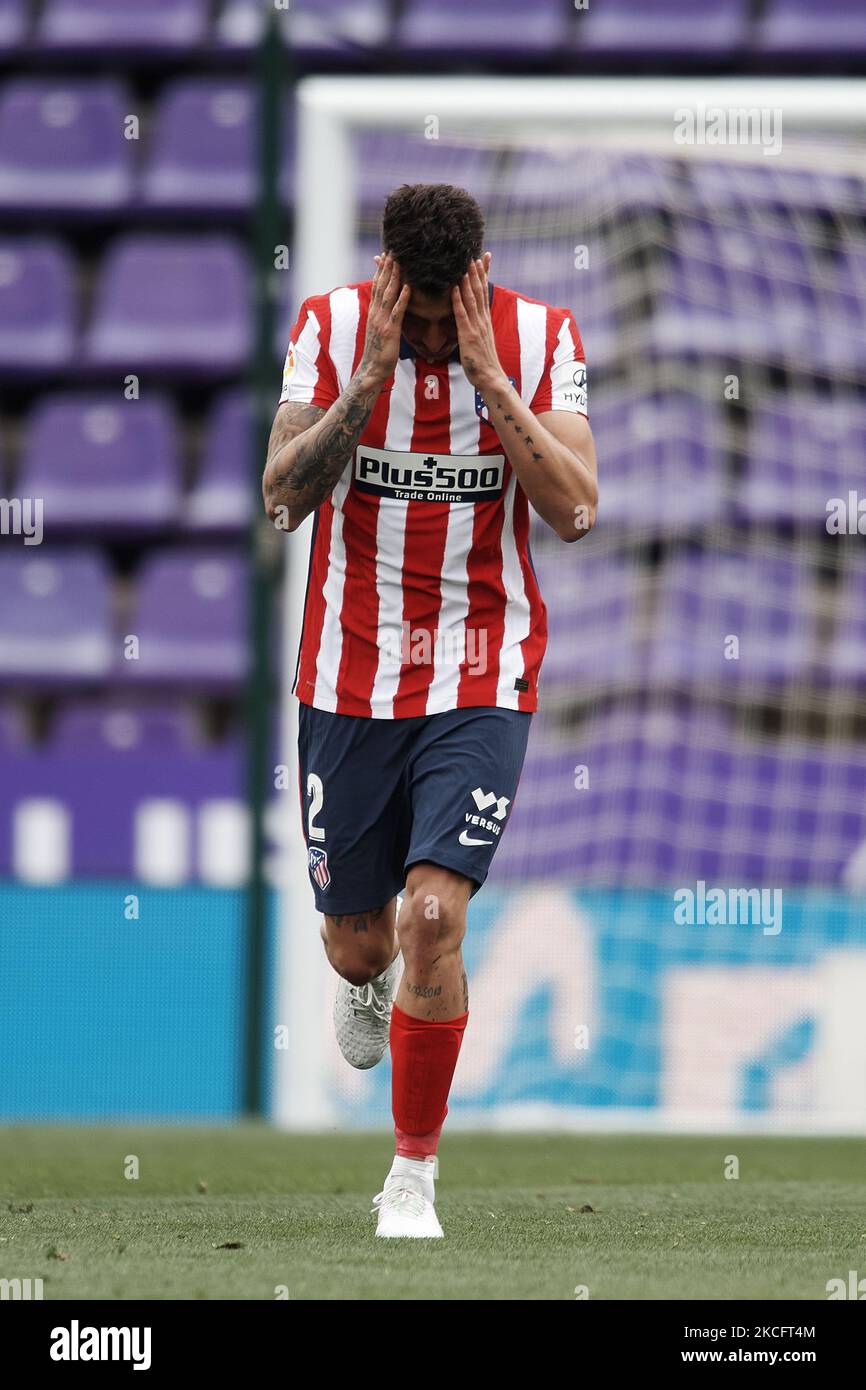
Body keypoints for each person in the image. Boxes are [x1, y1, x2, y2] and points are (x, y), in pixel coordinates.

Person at [263, 183, 598, 1237]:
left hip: (478, 671)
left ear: (475, 280)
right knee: (360, 947)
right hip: (348, 672)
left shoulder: (539, 339)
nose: (425, 341)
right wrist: (367, 378)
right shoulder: (326, 330)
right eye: (411, 319)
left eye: (438, 319)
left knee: (430, 917)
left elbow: (577, 511)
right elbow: (279, 495)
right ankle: (364, 978)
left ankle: (410, 1176)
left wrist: (489, 378)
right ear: (386, 280)